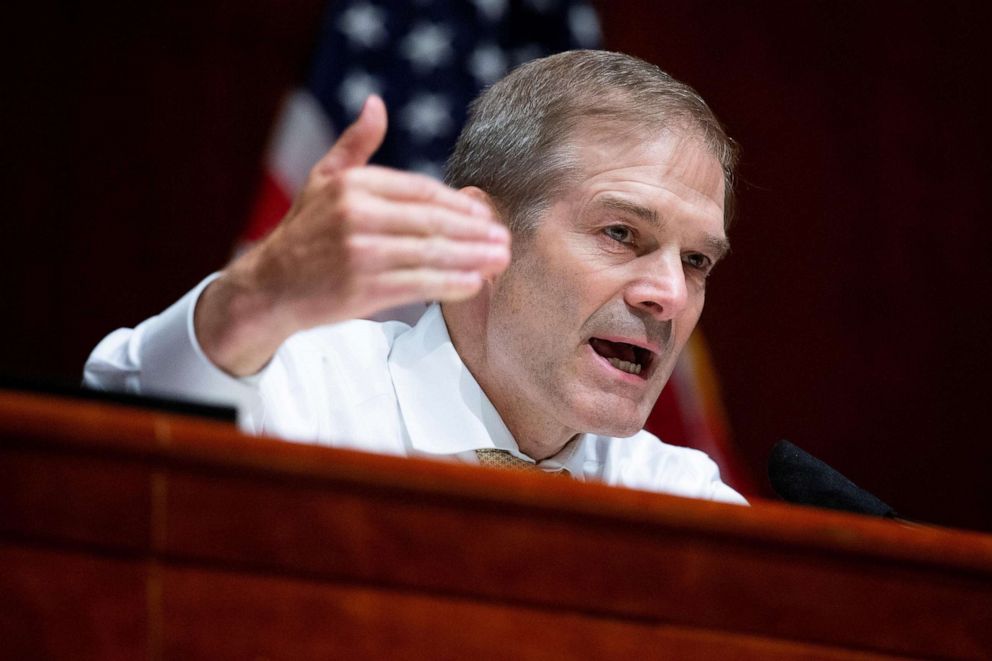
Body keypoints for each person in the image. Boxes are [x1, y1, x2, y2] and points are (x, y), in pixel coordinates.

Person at [85, 50, 746, 505]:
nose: (671, 295)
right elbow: (111, 447)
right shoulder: (300, 397)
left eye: (696, 260)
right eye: (622, 234)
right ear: (483, 238)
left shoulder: (681, 502)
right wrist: (257, 296)